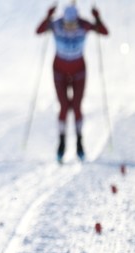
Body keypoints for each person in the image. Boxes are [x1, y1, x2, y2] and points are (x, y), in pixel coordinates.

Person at [36, 4, 108, 162]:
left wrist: (97, 17)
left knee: (76, 106)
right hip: (59, 71)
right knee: (63, 106)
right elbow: (39, 31)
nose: (69, 28)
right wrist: (48, 15)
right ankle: (61, 143)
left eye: (73, 24)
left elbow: (104, 32)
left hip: (79, 71)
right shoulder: (56, 24)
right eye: (67, 24)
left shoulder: (84, 24)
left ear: (77, 20)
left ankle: (79, 143)